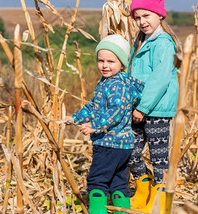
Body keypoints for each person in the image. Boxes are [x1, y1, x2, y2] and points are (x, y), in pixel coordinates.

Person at [62, 34, 144, 214]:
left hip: (109, 142)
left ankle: (97, 211)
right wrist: (75, 118)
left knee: (97, 181)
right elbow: (94, 106)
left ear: (122, 63)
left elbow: (117, 111)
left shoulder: (116, 85)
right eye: (101, 61)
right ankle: (121, 211)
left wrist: (95, 126)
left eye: (110, 61)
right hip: (122, 146)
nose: (105, 65)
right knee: (118, 182)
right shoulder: (107, 83)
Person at [127, 0, 182, 213]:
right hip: (138, 108)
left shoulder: (163, 43)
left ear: (159, 14)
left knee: (160, 160)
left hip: (156, 111)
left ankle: (161, 201)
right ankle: (143, 191)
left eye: (146, 15)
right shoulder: (141, 41)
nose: (141, 21)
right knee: (130, 152)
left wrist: (143, 107)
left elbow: (159, 79)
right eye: (137, 17)